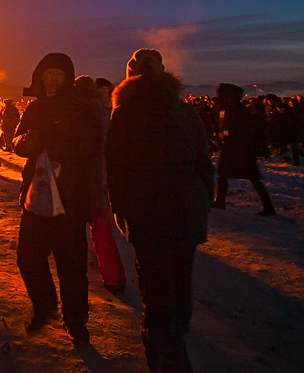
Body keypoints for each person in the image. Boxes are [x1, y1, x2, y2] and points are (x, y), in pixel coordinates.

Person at [106, 49, 214, 373]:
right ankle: (176, 338)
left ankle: (164, 355)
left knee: (154, 287)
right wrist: (201, 202)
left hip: (148, 209)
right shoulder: (184, 110)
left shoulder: (125, 112)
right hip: (186, 208)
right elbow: (204, 163)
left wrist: (120, 209)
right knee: (181, 278)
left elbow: (115, 166)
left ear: (132, 74)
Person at [13, 54, 103, 345]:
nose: (52, 80)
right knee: (27, 257)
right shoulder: (36, 107)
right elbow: (16, 140)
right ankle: (45, 303)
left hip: (69, 200)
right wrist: (23, 142)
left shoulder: (81, 109)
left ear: (67, 78)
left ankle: (76, 323)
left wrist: (50, 143)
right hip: (37, 198)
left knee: (71, 266)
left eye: (59, 74)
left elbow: (89, 148)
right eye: (47, 74)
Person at [75, 74, 127, 294]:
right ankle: (114, 277)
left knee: (75, 232)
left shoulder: (76, 115)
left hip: (80, 179)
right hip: (103, 179)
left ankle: (78, 275)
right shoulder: (107, 115)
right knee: (102, 230)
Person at [212, 83, 276, 216]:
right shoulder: (231, 108)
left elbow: (240, 129)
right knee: (224, 174)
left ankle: (268, 207)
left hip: (238, 148)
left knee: (252, 177)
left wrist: (227, 136)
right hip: (235, 147)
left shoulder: (237, 109)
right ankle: (220, 200)